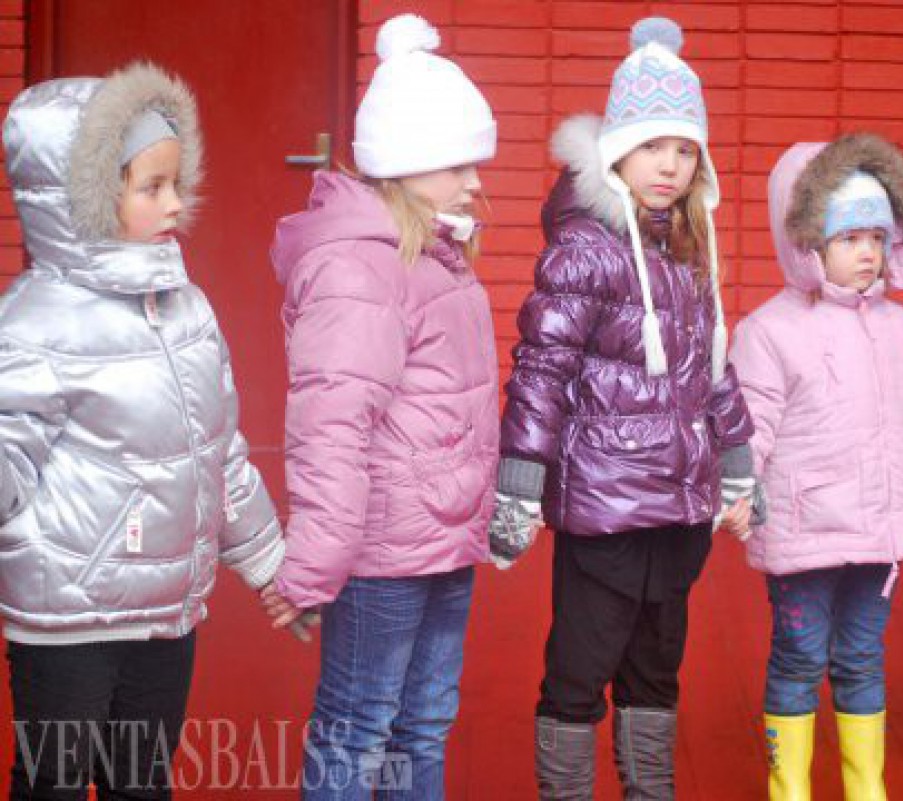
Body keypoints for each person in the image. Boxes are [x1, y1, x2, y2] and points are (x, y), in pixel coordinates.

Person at [486, 17, 759, 800]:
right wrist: (520, 480)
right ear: (616, 154)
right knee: (580, 672)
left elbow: (714, 370)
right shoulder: (585, 251)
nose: (669, 165)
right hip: (605, 510)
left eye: (685, 150)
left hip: (678, 511)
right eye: (652, 147)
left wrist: (739, 465)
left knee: (655, 670)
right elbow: (541, 367)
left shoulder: (689, 251)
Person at [0, 62, 284, 799]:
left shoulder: (187, 308)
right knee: (54, 781)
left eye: (175, 183)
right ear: (85, 197)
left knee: (142, 780)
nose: (174, 203)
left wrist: (269, 563)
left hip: (164, 612)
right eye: (150, 187)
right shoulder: (34, 325)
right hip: (67, 618)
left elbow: (219, 451)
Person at [259, 14, 500, 800]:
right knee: (359, 728)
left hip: (442, 540)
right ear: (406, 162)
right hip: (381, 554)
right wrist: (314, 565)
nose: (475, 182)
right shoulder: (358, 269)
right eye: (459, 164)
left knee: (422, 724)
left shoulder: (436, 256)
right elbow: (332, 426)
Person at [728, 134, 903, 801]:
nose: (868, 252)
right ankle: (789, 787)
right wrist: (737, 489)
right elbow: (750, 422)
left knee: (861, 657)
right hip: (804, 528)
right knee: (800, 656)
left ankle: (866, 787)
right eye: (850, 237)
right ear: (806, 243)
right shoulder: (770, 330)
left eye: (878, 237)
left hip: (878, 530)